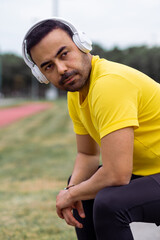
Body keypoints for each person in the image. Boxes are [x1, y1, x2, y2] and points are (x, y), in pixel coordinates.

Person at [22, 17, 160, 240]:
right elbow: (87, 154)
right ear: (41, 75)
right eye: (48, 66)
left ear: (82, 44)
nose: (62, 69)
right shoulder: (75, 95)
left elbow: (117, 173)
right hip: (151, 172)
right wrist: (72, 191)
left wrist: (71, 194)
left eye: (63, 54)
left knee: (109, 203)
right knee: (82, 188)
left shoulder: (109, 83)